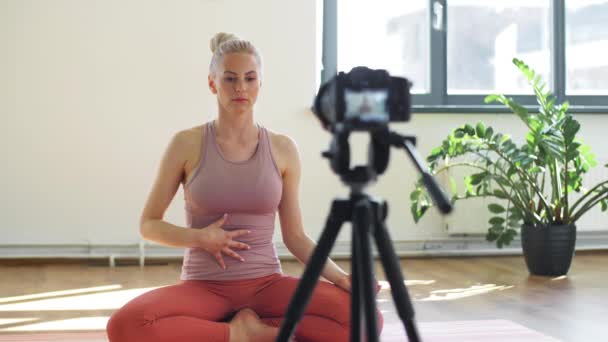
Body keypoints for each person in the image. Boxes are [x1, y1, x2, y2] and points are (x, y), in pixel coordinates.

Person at [106, 32, 383, 342]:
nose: (240, 87)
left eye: (250, 79)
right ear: (212, 83)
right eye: (230, 79)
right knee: (125, 325)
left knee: (366, 318)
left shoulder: (282, 149)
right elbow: (149, 224)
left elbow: (295, 236)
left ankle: (252, 331)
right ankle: (241, 334)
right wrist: (198, 237)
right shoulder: (186, 144)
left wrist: (341, 277)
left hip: (267, 285)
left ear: (260, 85)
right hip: (204, 287)